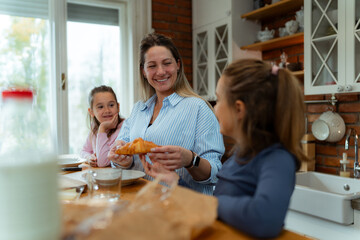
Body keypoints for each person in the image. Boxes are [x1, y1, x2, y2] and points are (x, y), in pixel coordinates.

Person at [140, 59, 307, 238]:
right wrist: (174, 182)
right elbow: (216, 206)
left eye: (218, 100)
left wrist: (213, 204)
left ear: (239, 109)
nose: (214, 107)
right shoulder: (240, 155)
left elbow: (265, 218)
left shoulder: (277, 159)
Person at [108, 32, 224, 195]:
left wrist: (190, 159)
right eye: (152, 66)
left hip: (182, 208)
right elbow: (124, 149)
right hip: (140, 203)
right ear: (143, 71)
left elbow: (215, 174)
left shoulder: (198, 108)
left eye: (166, 63)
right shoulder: (138, 110)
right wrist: (121, 160)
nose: (161, 72)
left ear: (177, 64)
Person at [80, 85, 124, 167]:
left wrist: (102, 128)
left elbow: (103, 162)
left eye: (111, 105)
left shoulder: (124, 128)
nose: (107, 110)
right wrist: (89, 157)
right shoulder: (94, 128)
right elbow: (84, 151)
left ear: (118, 107)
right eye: (100, 107)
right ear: (91, 112)